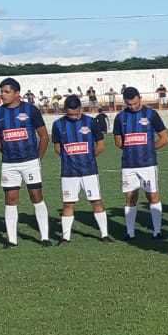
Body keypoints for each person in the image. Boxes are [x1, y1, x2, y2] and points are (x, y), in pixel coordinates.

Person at [0, 78, 51, 247]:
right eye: (1, 91)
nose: (2, 95)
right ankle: (11, 240)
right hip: (9, 164)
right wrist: (9, 152)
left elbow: (44, 136)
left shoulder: (30, 110)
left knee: (36, 196)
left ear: (17, 94)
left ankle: (44, 237)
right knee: (10, 198)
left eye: (6, 91)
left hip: (30, 161)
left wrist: (37, 158)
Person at [51, 95, 112, 243]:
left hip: (89, 171)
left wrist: (89, 158)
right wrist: (70, 159)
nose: (74, 117)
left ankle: (104, 235)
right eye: (70, 114)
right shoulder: (58, 124)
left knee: (96, 201)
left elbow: (100, 145)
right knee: (68, 204)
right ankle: (65, 237)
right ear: (65, 110)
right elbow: (58, 148)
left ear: (80, 109)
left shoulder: (91, 122)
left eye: (76, 113)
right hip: (69, 172)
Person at [113, 86, 168, 239]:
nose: (132, 107)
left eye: (135, 104)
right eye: (129, 104)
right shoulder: (120, 117)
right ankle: (130, 233)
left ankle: (157, 231)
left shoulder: (151, 114)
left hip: (148, 164)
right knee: (130, 197)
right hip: (129, 165)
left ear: (140, 99)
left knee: (153, 196)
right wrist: (131, 147)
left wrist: (150, 148)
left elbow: (165, 138)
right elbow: (118, 141)